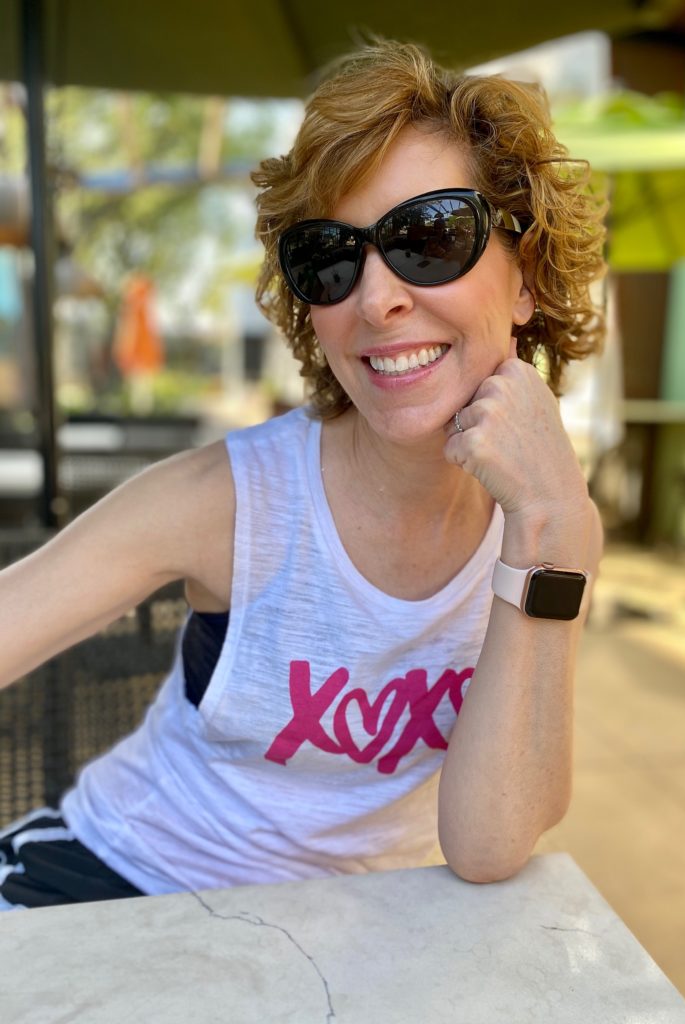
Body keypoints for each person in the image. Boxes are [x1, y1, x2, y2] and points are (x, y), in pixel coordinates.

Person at [0, 39, 606, 910]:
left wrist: (552, 526)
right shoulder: (229, 502)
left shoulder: (556, 528)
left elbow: (491, 840)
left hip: (330, 941)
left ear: (526, 278)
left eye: (430, 238)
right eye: (331, 255)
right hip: (111, 884)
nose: (376, 298)